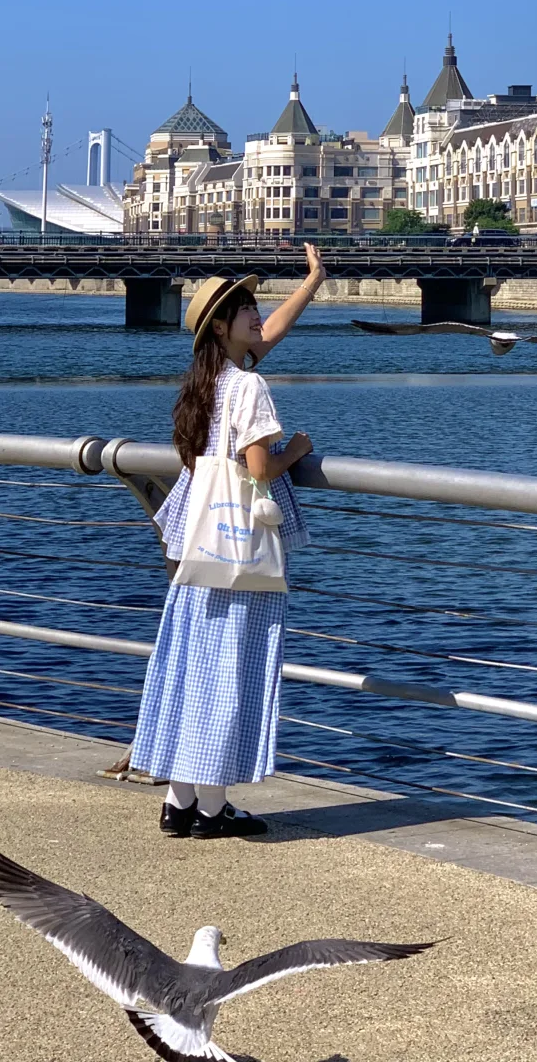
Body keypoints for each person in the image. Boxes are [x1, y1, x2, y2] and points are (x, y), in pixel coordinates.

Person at [129, 244, 326, 839]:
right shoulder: (251, 389)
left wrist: (313, 280)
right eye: (246, 310)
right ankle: (212, 811)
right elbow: (260, 466)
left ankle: (178, 800)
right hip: (243, 546)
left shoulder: (207, 382)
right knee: (229, 668)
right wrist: (298, 449)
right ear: (222, 324)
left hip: (202, 541)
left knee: (194, 664)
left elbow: (272, 333)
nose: (257, 316)